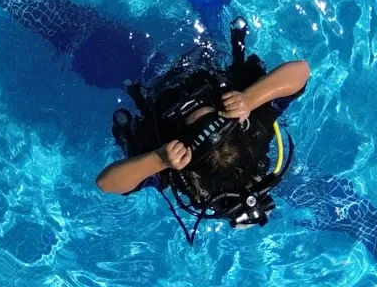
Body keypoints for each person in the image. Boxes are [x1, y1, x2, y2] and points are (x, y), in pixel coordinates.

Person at [97, 18, 308, 243]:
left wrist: (158, 160)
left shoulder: (178, 167)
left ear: (183, 140)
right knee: (229, 57)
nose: (193, 104)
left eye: (191, 119)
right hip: (206, 71)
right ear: (235, 120)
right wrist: (250, 99)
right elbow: (302, 71)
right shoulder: (255, 126)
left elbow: (106, 183)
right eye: (213, 110)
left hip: (156, 91)